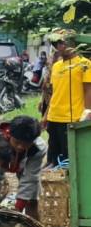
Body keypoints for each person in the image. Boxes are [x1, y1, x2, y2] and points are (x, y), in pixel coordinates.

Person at [41, 28, 91, 166]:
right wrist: (46, 116)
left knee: (68, 159)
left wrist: (86, 113)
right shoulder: (56, 66)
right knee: (52, 159)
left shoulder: (84, 63)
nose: (60, 47)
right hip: (54, 117)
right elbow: (55, 93)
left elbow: (88, 90)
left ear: (73, 43)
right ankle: (52, 186)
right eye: (57, 44)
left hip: (72, 117)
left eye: (63, 42)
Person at [0, 116, 47, 220]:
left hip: (25, 163)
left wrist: (18, 209)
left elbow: (30, 178)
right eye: (17, 142)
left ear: (33, 141)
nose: (20, 147)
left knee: (32, 199)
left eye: (25, 144)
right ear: (10, 135)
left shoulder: (38, 148)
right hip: (4, 160)